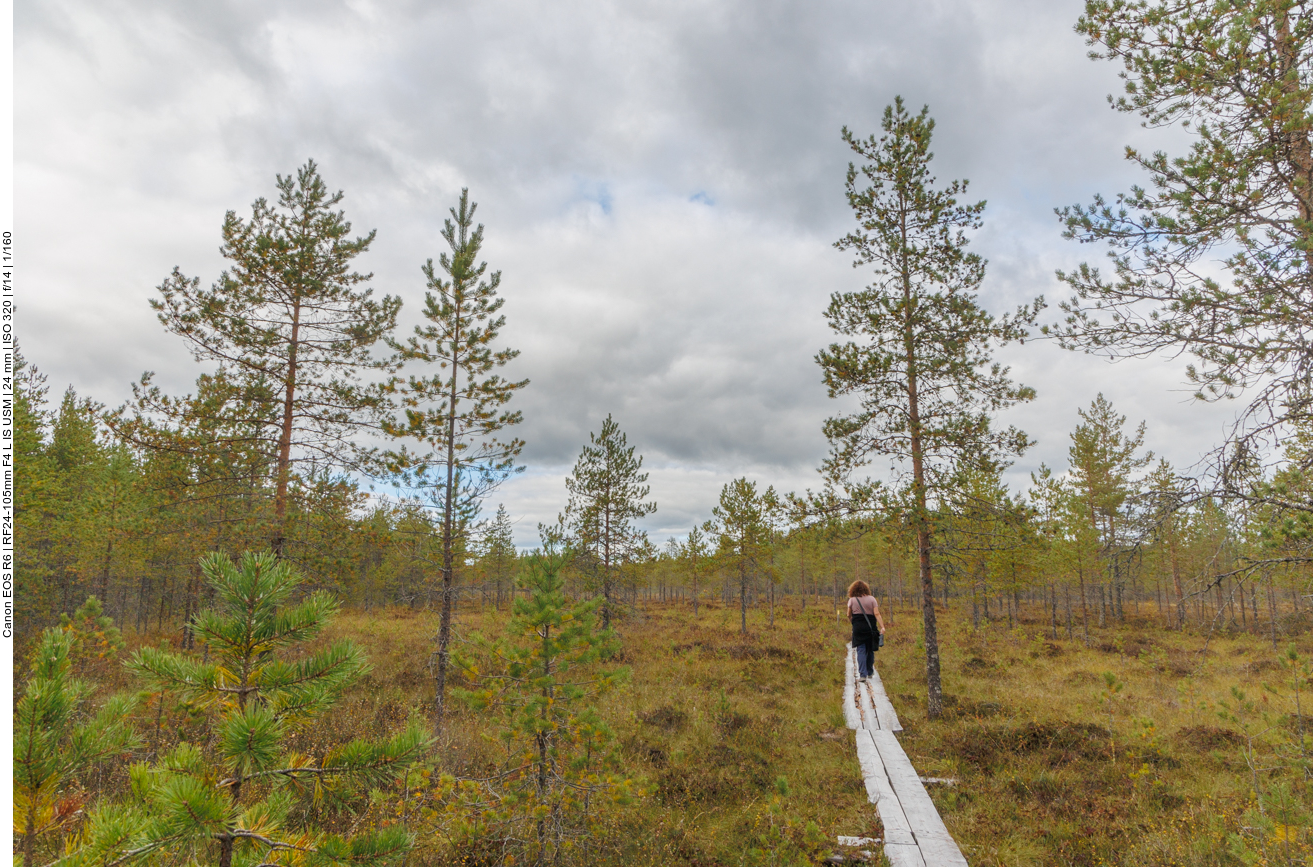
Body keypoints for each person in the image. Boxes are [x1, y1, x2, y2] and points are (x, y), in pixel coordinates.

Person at [847, 580, 885, 682]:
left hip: (858, 628)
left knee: (861, 650)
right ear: (866, 589)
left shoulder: (852, 600)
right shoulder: (872, 599)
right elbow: (877, 614)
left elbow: (848, 615)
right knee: (870, 649)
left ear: (853, 589)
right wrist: (882, 627)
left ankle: (862, 674)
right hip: (870, 627)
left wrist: (854, 623)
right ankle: (870, 671)